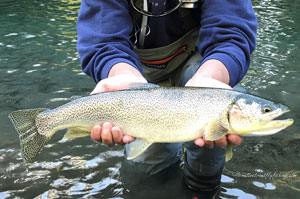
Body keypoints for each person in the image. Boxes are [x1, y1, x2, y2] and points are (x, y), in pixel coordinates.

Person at [77, 0, 257, 197]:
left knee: (215, 124)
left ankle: (202, 189)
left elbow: (230, 34)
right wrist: (122, 76)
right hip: (134, 69)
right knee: (146, 166)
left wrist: (211, 79)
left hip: (204, 65)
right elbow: (103, 41)